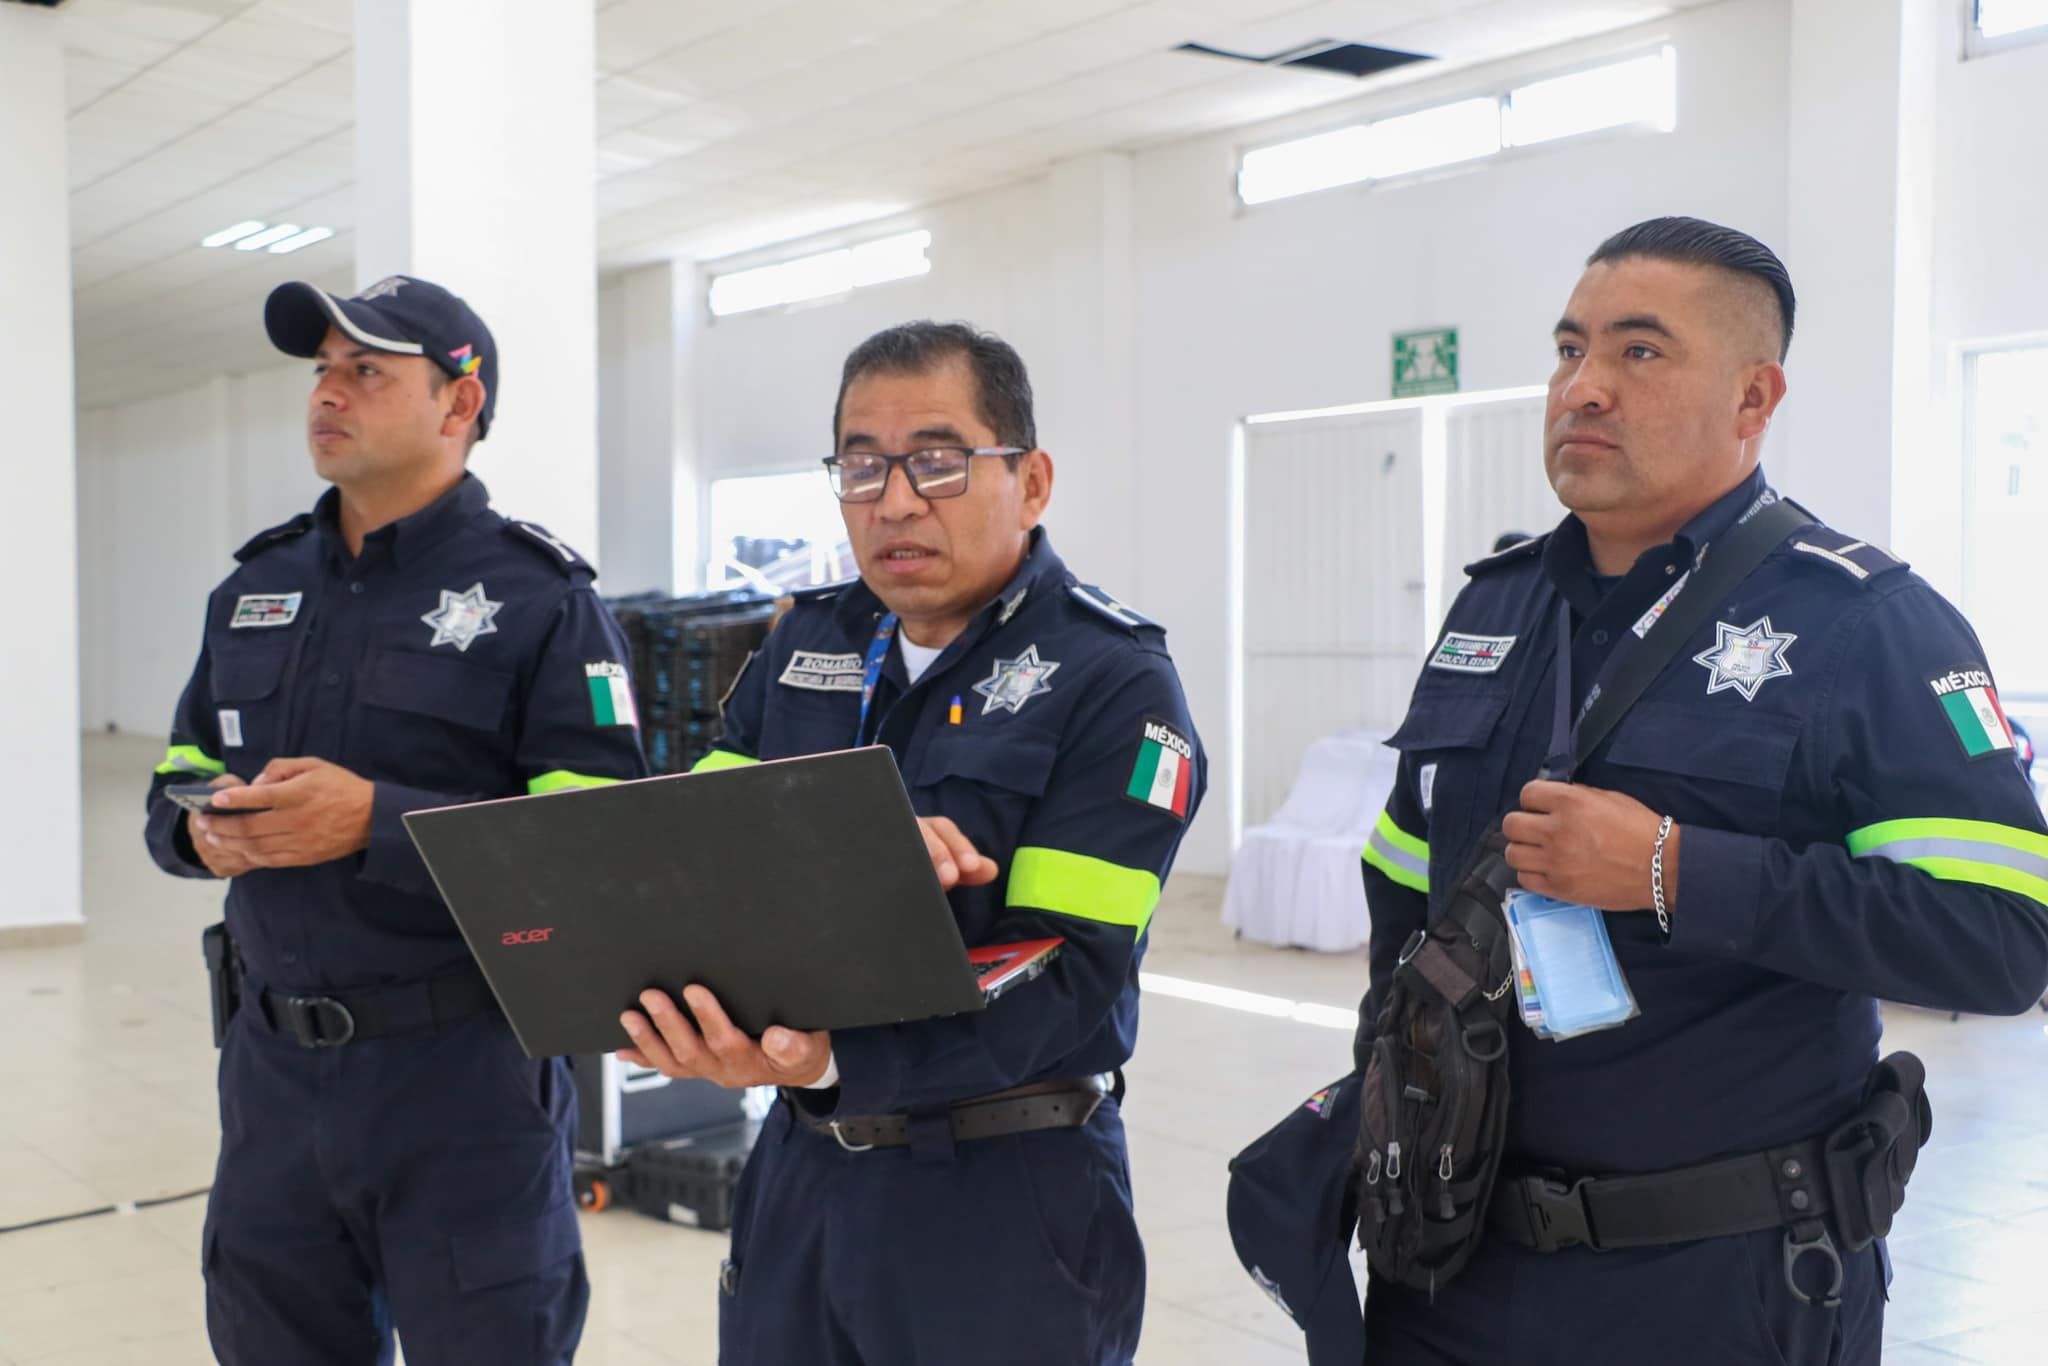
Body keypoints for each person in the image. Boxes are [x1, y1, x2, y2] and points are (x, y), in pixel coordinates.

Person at [1350, 218, 2048, 1363]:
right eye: (1567, 349)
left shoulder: (1862, 625)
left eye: (1637, 353)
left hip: (1716, 1281)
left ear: (1751, 397)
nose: (1582, 387)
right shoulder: (1492, 606)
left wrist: (1676, 869)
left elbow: (2003, 939)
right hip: (1453, 1259)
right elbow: (1400, 883)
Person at [616, 320, 1206, 1365]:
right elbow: (689, 862)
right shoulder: (806, 644)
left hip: (997, 1191)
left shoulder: (1112, 681)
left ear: (1029, 481)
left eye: (936, 461)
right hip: (799, 1169)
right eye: (860, 465)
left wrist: (839, 1055)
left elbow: (1068, 966)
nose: (892, 499)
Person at [144, 275, 649, 1365]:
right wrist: (198, 833)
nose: (328, 394)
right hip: (271, 1076)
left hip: (460, 1077)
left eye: (366, 371)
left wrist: (378, 820)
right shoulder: (255, 587)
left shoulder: (543, 600)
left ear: (457, 405)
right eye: (323, 370)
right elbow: (175, 779)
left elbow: (601, 848)